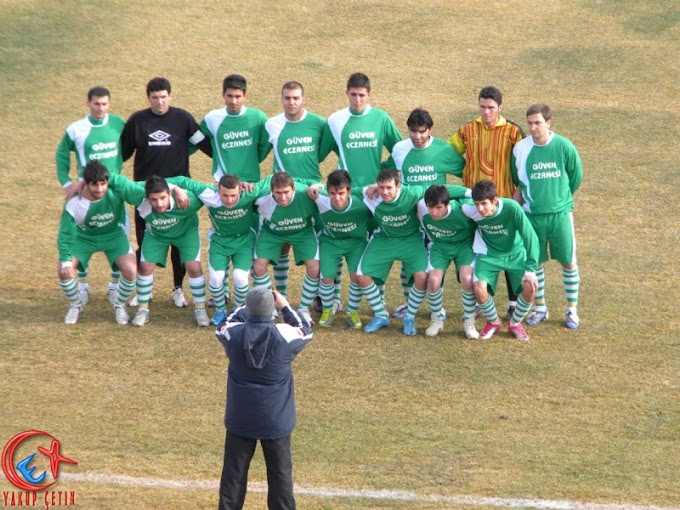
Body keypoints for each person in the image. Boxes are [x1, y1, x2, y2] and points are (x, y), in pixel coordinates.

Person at [215, 288, 312, 510]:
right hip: (276, 420)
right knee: (280, 477)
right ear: (272, 311)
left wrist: (246, 307)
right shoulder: (285, 336)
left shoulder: (234, 335)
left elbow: (224, 323)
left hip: (241, 419)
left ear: (248, 310)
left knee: (233, 476)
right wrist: (285, 306)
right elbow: (304, 330)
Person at [121, 77, 212, 308]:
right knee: (146, 241)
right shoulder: (137, 122)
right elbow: (122, 154)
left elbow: (205, 144)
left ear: (170, 96)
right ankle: (145, 291)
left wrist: (230, 167)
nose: (160, 101)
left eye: (163, 97)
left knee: (180, 246)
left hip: (177, 195)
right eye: (155, 97)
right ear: (148, 98)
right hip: (147, 194)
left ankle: (177, 288)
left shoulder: (182, 118)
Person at [357, 169, 469, 336]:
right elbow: (344, 191)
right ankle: (381, 315)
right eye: (381, 187)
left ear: (398, 186)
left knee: (422, 277)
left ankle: (409, 317)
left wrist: (470, 192)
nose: (385, 192)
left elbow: (443, 189)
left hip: (412, 239)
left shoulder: (413, 192)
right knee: (362, 276)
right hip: (384, 239)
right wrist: (315, 188)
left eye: (389, 187)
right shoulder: (369, 193)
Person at [448, 86, 525, 318]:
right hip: (474, 206)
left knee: (509, 251)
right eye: (482, 107)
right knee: (475, 253)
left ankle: (513, 304)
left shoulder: (513, 132)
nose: (486, 112)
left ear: (500, 107)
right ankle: (481, 302)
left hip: (503, 205)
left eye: (491, 108)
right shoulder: (467, 130)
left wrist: (517, 200)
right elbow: (447, 151)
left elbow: (522, 166)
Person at [383, 107, 467, 319]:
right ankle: (409, 302)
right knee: (409, 261)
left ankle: (437, 308)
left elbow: (466, 171)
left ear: (430, 129)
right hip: (410, 217)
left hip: (437, 218)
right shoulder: (400, 149)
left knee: (435, 265)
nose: (417, 137)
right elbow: (387, 172)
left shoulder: (443, 150)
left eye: (422, 131)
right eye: (413, 131)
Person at [511, 103, 583, 329]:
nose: (533, 127)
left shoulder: (564, 146)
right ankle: (540, 307)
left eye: (538, 123)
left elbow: (575, 176)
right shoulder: (520, 149)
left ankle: (572, 310)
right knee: (536, 262)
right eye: (530, 123)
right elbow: (520, 183)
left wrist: (560, 198)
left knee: (568, 262)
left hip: (560, 215)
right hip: (532, 217)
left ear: (549, 123)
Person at [107, 173, 209, 327]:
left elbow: (215, 192)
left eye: (163, 198)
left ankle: (200, 310)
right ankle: (143, 310)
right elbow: (120, 181)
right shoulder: (139, 195)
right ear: (146, 197)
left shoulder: (189, 199)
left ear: (169, 194)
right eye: (153, 200)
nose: (159, 203)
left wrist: (177, 188)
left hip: (186, 233)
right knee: (145, 267)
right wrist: (87, 179)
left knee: (193, 268)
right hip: (156, 235)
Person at [56, 86, 126, 305]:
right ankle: (83, 284)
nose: (100, 108)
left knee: (118, 233)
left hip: (113, 192)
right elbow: (61, 155)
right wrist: (68, 183)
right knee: (81, 233)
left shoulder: (119, 124)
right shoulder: (77, 129)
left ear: (110, 104)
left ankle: (115, 285)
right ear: (88, 103)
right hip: (86, 191)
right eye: (96, 103)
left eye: (104, 104)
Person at [265, 81, 333, 303]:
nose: (291, 102)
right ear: (281, 99)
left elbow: (321, 152)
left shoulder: (319, 123)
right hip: (282, 193)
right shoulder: (272, 124)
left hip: (310, 193)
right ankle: (281, 297)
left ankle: (319, 296)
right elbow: (260, 151)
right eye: (287, 98)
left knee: (320, 240)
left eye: (296, 98)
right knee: (283, 242)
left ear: (304, 99)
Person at [169, 174, 266, 325]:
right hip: (219, 241)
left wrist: (312, 185)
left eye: (233, 195)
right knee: (216, 278)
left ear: (240, 190)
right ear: (217, 190)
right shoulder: (208, 193)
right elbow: (181, 180)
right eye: (224, 195)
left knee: (240, 278)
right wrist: (176, 189)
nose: (229, 200)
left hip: (244, 241)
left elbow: (272, 180)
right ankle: (220, 310)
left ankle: (238, 311)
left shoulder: (249, 193)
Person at [56, 162, 136, 325]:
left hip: (114, 237)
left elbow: (141, 190)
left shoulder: (117, 190)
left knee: (131, 270)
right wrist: (65, 261)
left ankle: (120, 304)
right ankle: (76, 305)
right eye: (94, 184)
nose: (100, 189)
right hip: (83, 239)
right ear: (86, 183)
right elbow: (65, 234)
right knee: (63, 271)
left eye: (103, 184)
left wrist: (174, 188)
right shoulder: (74, 203)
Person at [461, 180, 539, 341]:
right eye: (476, 204)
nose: (480, 209)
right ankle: (493, 322)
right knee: (479, 289)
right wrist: (466, 193)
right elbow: (448, 195)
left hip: (516, 254)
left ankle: (515, 323)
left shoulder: (512, 208)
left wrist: (530, 270)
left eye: (484, 204)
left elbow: (530, 237)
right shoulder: (471, 209)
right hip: (489, 256)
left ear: (495, 200)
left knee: (530, 288)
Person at [306, 170, 374, 329]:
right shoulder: (320, 198)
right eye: (333, 193)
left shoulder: (361, 203)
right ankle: (327, 310)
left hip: (355, 243)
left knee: (356, 277)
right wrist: (313, 185)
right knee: (326, 278)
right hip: (330, 242)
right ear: (327, 191)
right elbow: (300, 185)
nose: (337, 198)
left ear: (349, 191)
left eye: (342, 193)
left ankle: (352, 311)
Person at [251, 173, 320, 325]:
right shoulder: (260, 198)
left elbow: (335, 190)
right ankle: (271, 305)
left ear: (293, 189)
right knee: (259, 267)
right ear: (271, 191)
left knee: (314, 268)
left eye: (286, 192)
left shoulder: (307, 193)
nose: (282, 197)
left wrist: (317, 184)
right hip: (272, 233)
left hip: (303, 232)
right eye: (278, 193)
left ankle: (303, 309)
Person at [417, 185, 478, 338]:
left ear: (447, 203)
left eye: (439, 207)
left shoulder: (465, 209)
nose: (434, 212)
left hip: (464, 246)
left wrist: (469, 192)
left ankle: (469, 322)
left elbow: (479, 202)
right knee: (433, 280)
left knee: (467, 279)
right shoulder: (421, 207)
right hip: (440, 246)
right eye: (431, 207)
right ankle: (437, 319)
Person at [325, 72, 402, 188]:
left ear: (369, 94)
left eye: (362, 95)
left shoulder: (381, 118)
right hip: (345, 189)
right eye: (353, 94)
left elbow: (400, 151)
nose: (357, 100)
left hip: (374, 189)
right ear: (347, 93)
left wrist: (383, 169)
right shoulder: (334, 120)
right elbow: (319, 153)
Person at [199, 73, 271, 184]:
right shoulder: (212, 118)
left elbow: (266, 144)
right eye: (230, 96)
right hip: (222, 183)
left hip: (251, 183)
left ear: (245, 95)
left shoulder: (258, 118)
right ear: (223, 94)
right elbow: (196, 140)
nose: (233, 101)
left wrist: (252, 161)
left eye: (238, 96)